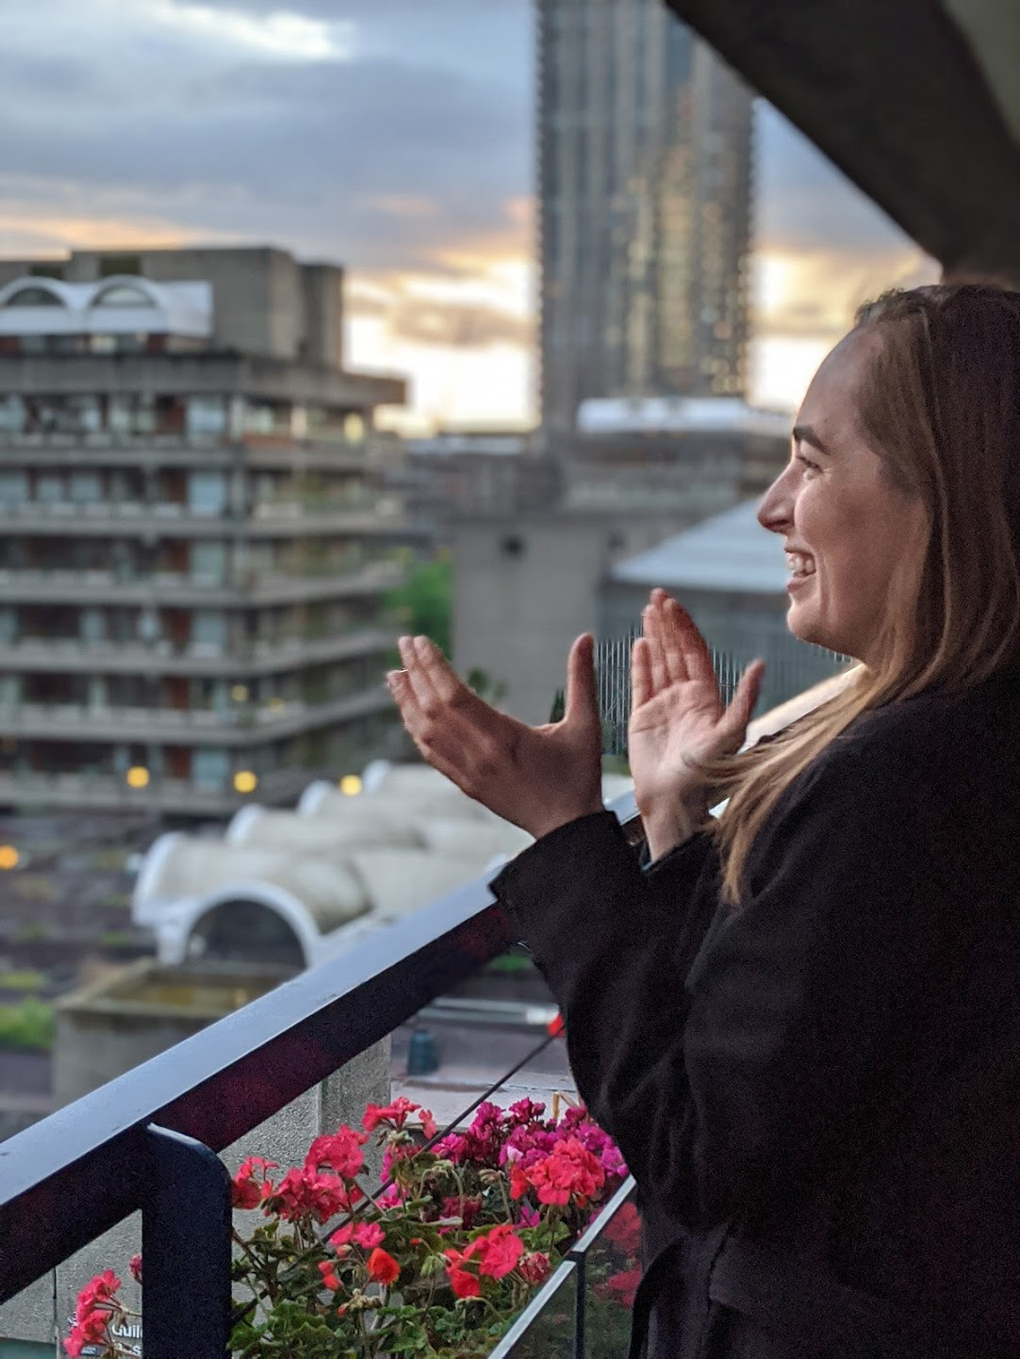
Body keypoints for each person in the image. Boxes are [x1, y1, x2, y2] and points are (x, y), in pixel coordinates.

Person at [387, 284, 1020, 1359]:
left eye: (813, 464)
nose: (776, 506)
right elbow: (811, 1049)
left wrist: (565, 834)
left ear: (940, 501)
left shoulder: (895, 783)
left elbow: (701, 1143)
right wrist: (676, 816)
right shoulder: (968, 745)